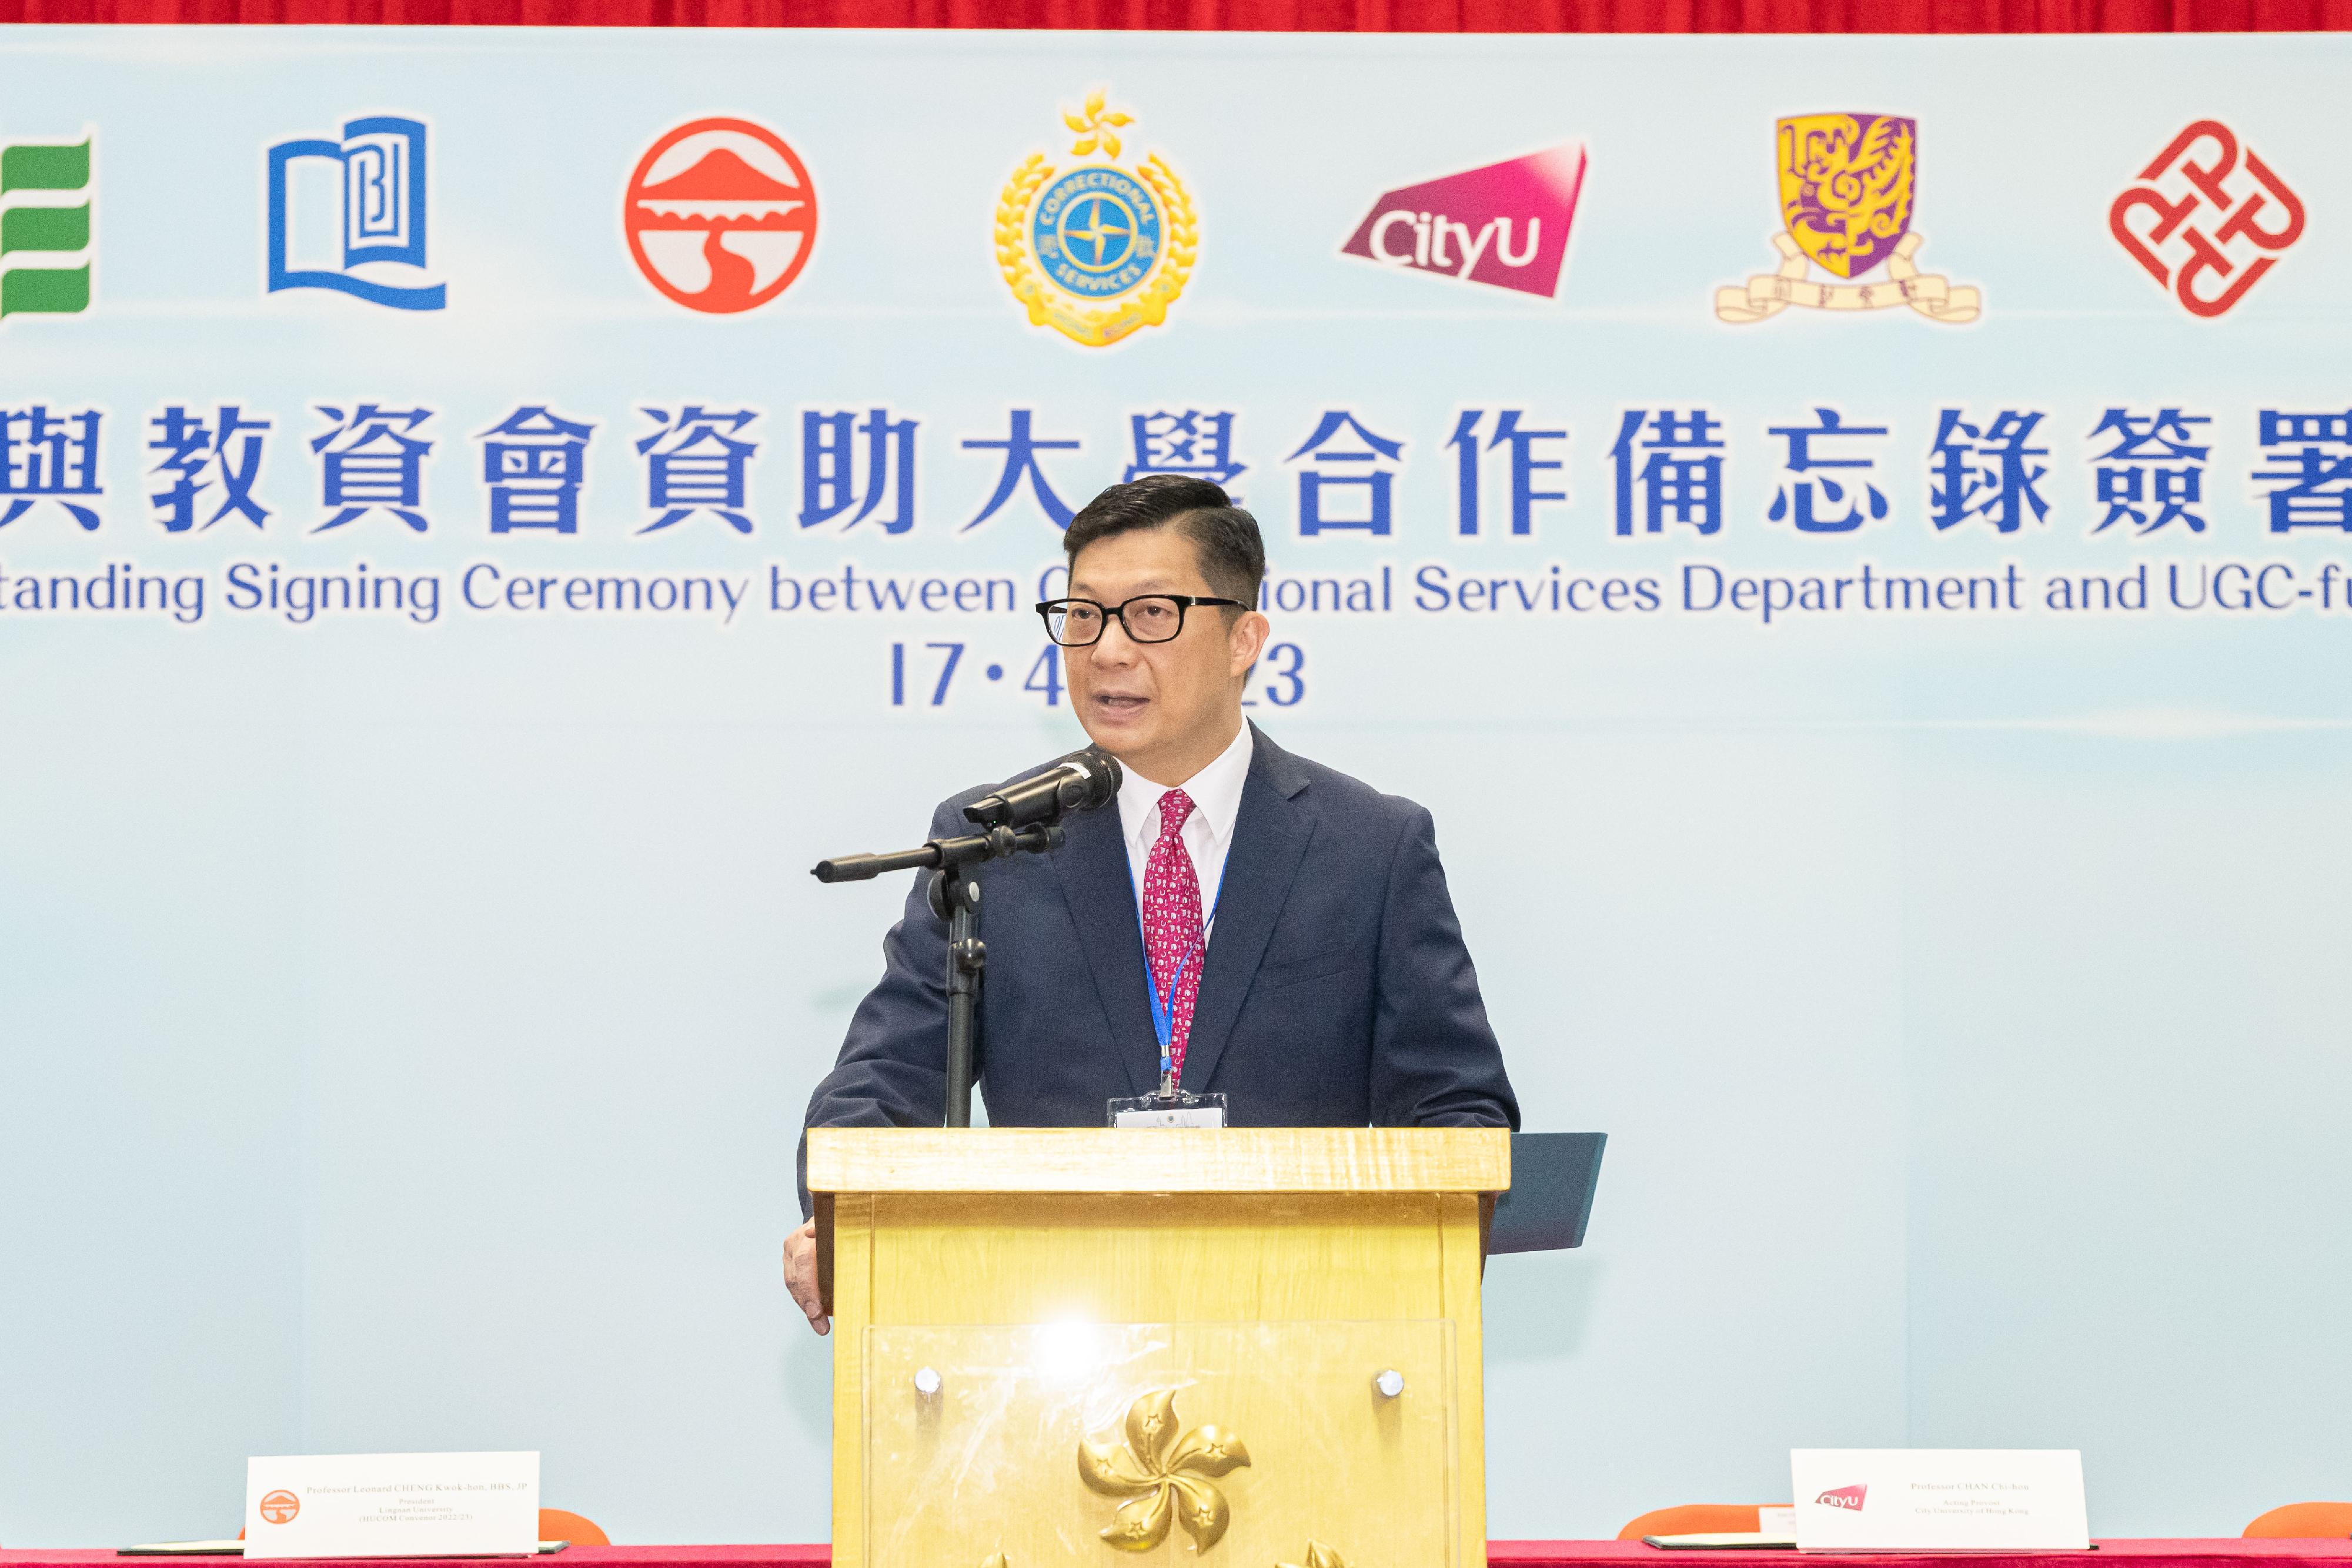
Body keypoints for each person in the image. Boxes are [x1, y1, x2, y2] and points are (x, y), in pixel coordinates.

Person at [781, 474, 1517, 1332]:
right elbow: (885, 1078)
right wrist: (844, 1213)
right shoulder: (995, 843)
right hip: (1043, 1332)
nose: (1108, 652)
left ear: (1244, 638)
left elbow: (1456, 1108)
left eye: (1152, 615)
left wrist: (1404, 1267)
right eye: (1084, 615)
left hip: (1306, 1335)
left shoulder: (1370, 847)